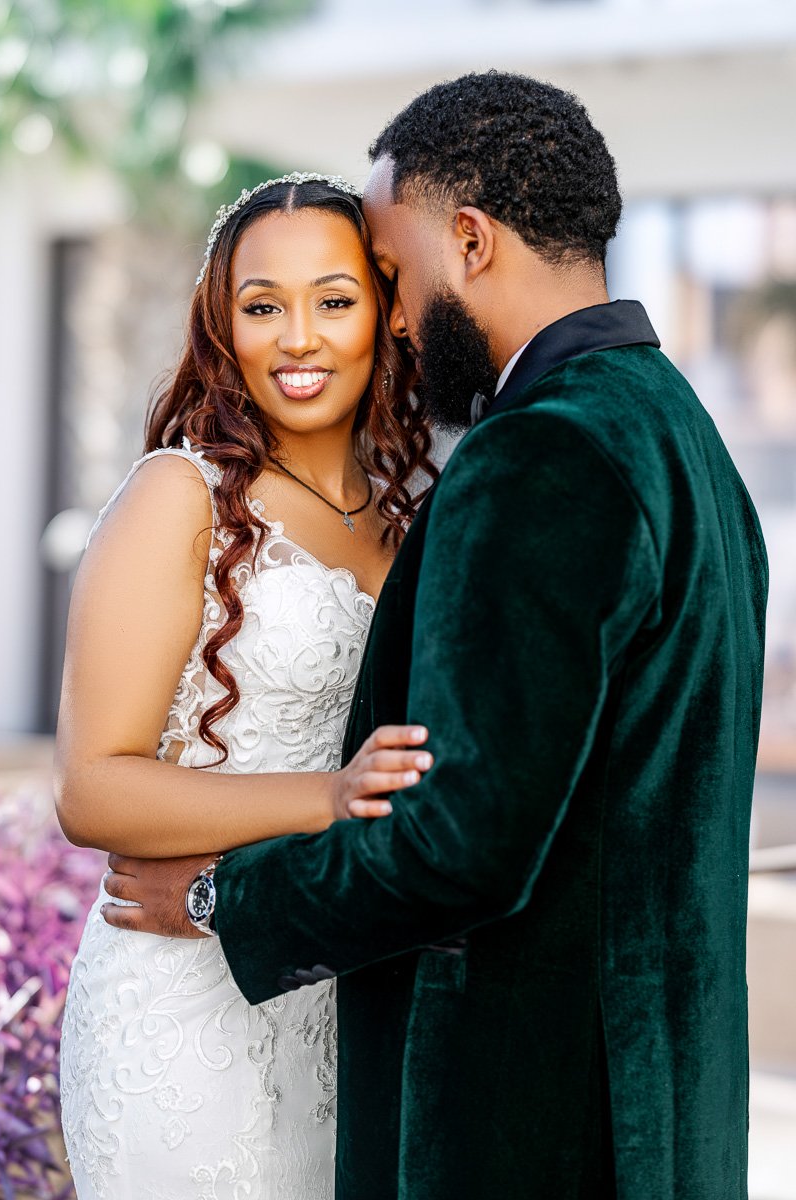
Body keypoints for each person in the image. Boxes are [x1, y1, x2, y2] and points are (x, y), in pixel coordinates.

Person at [103, 73, 769, 1199]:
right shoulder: (683, 436)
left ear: (466, 241)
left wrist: (221, 901)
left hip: (535, 1124)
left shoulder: (537, 455)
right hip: (662, 1111)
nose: (397, 319)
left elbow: (461, 844)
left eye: (390, 278)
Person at [55, 173, 437, 1200]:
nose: (297, 337)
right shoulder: (177, 498)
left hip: (330, 997)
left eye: (333, 300)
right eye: (262, 305)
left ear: (385, 316)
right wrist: (326, 797)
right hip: (177, 1006)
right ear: (224, 326)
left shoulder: (418, 518)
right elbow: (92, 789)